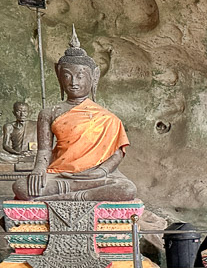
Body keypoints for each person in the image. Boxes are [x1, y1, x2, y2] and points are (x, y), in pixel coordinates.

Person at [13, 28, 137, 202]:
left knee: (127, 189)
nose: (73, 82)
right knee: (21, 187)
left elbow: (117, 154)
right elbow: (44, 151)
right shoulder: (48, 113)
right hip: (61, 174)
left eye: (80, 76)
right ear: (59, 76)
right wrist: (38, 170)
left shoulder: (108, 118)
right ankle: (76, 194)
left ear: (93, 78)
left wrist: (101, 172)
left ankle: (70, 196)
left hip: (96, 177)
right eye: (67, 76)